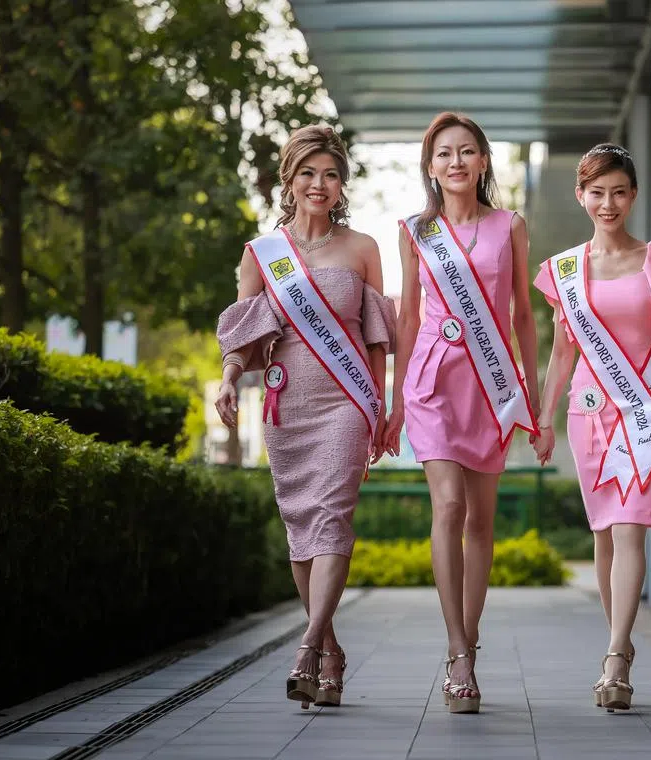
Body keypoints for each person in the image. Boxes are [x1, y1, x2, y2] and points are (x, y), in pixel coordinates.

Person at [215, 125, 395, 710]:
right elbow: (242, 336)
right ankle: (332, 651)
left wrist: (381, 406)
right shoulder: (261, 255)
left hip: (346, 401)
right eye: (308, 174)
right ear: (289, 182)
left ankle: (307, 646)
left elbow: (374, 343)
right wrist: (225, 380)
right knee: (301, 528)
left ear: (342, 184)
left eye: (331, 174)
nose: (320, 184)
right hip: (286, 399)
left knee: (333, 516)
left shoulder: (363, 247)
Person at [531, 143, 651, 712]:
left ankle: (613, 658)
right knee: (605, 534)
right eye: (597, 192)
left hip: (648, 410)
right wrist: (544, 419)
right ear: (581, 196)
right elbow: (561, 354)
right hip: (589, 413)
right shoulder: (564, 271)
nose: (609, 203)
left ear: (633, 196)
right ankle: (621, 644)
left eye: (619, 192)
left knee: (630, 528)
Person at [384, 112, 540, 714]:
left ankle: (470, 641)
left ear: (482, 162)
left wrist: (530, 393)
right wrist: (396, 398)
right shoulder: (414, 231)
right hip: (431, 383)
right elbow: (406, 317)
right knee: (448, 506)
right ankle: (456, 651)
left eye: (467, 151)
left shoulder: (511, 227)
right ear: (431, 166)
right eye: (445, 153)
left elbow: (524, 314)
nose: (456, 162)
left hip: (491, 385)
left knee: (481, 522)